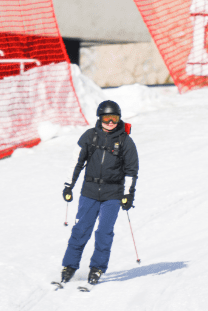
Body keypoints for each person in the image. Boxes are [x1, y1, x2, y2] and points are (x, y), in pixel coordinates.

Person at [60, 100, 138, 286]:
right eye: (106, 118)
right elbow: (76, 162)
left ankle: (97, 267)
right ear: (100, 118)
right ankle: (69, 266)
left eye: (114, 118)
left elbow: (131, 170)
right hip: (89, 192)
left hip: (112, 194)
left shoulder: (125, 141)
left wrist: (128, 194)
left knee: (104, 232)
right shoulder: (90, 136)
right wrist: (68, 185)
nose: (110, 122)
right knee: (80, 230)